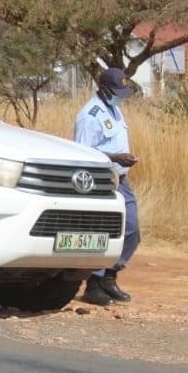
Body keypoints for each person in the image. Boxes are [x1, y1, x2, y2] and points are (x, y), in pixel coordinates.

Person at [74, 67, 141, 306]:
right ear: (103, 88)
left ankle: (109, 278)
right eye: (117, 91)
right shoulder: (89, 115)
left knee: (132, 230)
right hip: (100, 181)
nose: (121, 96)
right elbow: (82, 154)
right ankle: (94, 284)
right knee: (102, 231)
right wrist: (115, 158)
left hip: (121, 180)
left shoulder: (114, 109)